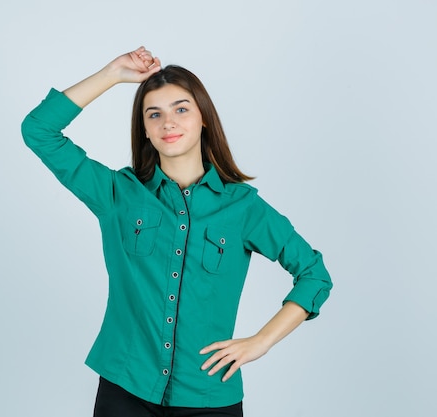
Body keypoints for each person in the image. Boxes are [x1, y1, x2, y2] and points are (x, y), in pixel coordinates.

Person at [22, 46, 332, 417]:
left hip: (208, 396)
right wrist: (112, 74)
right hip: (125, 387)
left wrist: (260, 342)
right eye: (155, 114)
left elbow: (314, 274)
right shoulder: (117, 194)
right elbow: (39, 130)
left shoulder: (244, 208)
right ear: (146, 131)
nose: (168, 122)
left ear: (204, 119)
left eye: (181, 109)